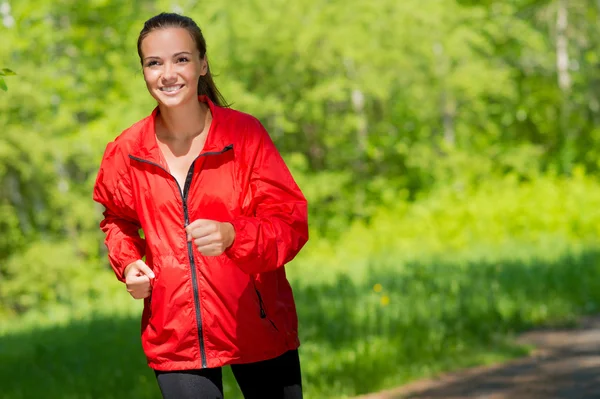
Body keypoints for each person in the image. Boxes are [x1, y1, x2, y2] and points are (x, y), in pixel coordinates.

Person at [93, 12, 308, 399]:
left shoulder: (244, 134)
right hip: (175, 335)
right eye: (153, 63)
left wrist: (234, 234)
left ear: (202, 63)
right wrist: (128, 263)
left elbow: (289, 223)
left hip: (256, 324)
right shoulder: (127, 150)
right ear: (143, 71)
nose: (167, 73)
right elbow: (116, 219)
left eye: (181, 59)